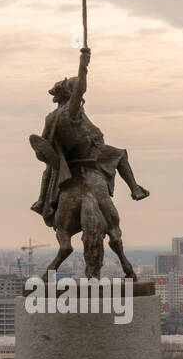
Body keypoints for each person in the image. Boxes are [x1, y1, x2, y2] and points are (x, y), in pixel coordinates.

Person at [30, 47, 149, 226]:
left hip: (65, 164)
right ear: (69, 94)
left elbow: (44, 149)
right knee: (120, 154)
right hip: (91, 153)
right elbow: (80, 89)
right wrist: (83, 64)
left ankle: (41, 201)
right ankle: (135, 189)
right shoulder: (71, 110)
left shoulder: (51, 118)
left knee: (49, 169)